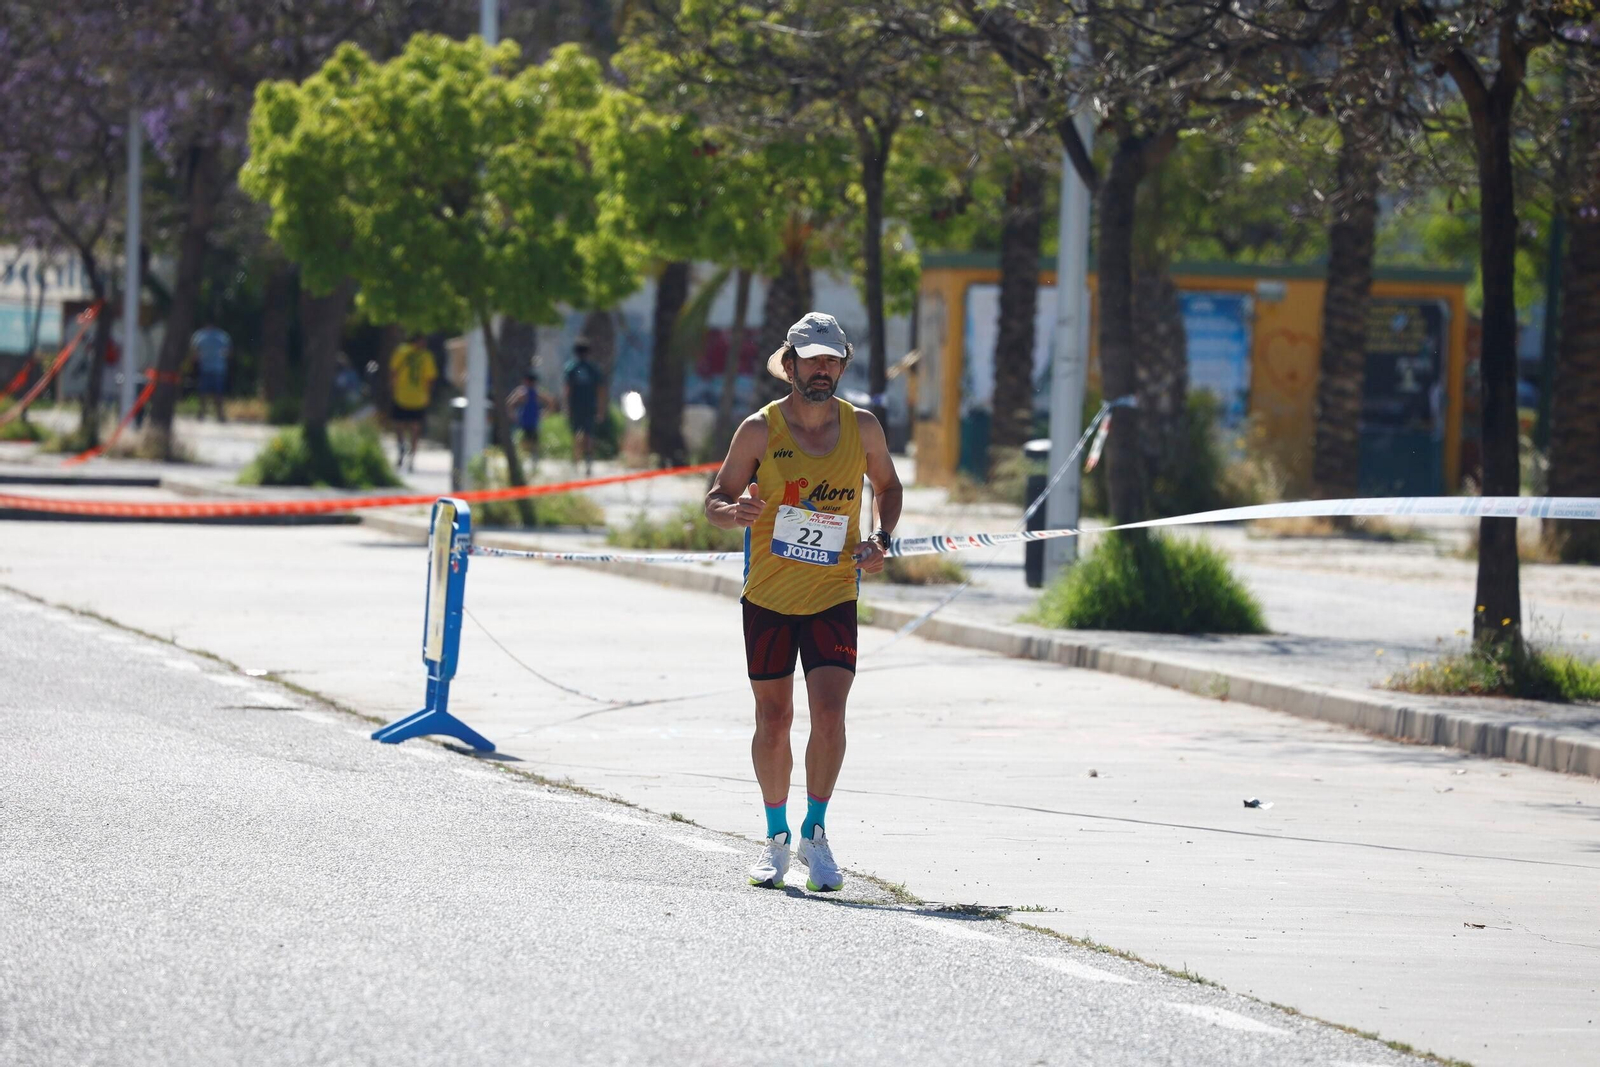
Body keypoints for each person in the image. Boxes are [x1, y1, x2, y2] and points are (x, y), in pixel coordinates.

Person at [704, 311, 903, 892]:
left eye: (832, 359)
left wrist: (880, 539)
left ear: (841, 365)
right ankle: (775, 838)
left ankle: (815, 832)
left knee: (831, 713)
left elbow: (888, 487)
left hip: (834, 592)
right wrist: (731, 511)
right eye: (812, 358)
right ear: (788, 364)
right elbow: (716, 496)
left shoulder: (862, 427)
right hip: (768, 594)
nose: (822, 369)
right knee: (774, 718)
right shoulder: (759, 431)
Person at [388, 334, 436, 471]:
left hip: (401, 396)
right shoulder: (426, 356)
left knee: (400, 426)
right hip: (418, 398)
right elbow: (430, 379)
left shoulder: (401, 351)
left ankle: (403, 449)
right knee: (414, 429)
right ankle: (410, 455)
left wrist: (392, 389)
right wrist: (428, 395)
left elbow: (393, 372)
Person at [562, 338, 603, 476]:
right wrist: (600, 408)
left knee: (576, 435)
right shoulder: (593, 368)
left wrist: (566, 407)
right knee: (589, 436)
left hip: (576, 406)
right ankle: (588, 462)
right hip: (590, 406)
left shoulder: (571, 368)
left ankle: (576, 462)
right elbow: (600, 390)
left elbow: (567, 390)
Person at [190, 323, 232, 422]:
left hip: (205, 367)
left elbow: (194, 353)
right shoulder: (222, 336)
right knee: (218, 393)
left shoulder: (199, 335)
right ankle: (220, 414)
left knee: (203, 393)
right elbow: (229, 352)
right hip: (218, 368)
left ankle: (202, 413)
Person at [506, 369, 546, 462]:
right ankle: (532, 460)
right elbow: (551, 402)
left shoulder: (523, 392)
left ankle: (526, 459)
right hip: (530, 421)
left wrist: (512, 415)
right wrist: (544, 413)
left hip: (524, 421)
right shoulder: (535, 393)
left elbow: (509, 403)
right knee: (532, 442)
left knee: (526, 442)